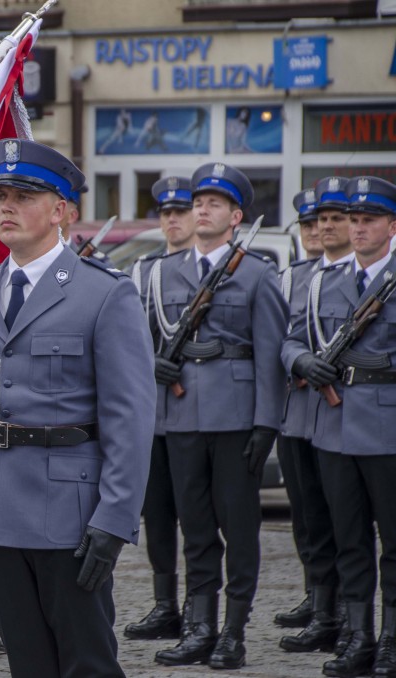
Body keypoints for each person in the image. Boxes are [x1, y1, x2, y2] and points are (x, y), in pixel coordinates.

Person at [0, 138, 155, 677]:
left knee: (87, 663)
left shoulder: (104, 294)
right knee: (27, 663)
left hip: (70, 514)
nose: (5, 207)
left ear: (62, 211)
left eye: (23, 196)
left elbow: (129, 418)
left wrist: (116, 517)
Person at [151, 162, 287, 670]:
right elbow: (140, 342)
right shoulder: (166, 271)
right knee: (198, 529)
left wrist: (266, 423)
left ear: (235, 217)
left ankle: (233, 632)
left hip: (236, 419)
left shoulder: (256, 274)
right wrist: (153, 366)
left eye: (214, 203)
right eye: (197, 202)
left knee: (241, 530)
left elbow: (271, 353)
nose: (201, 209)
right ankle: (199, 627)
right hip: (182, 416)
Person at [281, 176, 396, 678]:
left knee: (393, 542)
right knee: (348, 539)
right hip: (333, 424)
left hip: (388, 427)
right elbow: (289, 339)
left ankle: (391, 639)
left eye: (369, 220)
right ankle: (357, 635)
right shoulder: (324, 281)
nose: (358, 229)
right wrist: (303, 361)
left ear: (391, 226)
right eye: (353, 220)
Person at [275, 180, 352, 653]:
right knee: (309, 519)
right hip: (299, 414)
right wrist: (296, 360)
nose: (321, 228)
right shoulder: (295, 277)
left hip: (347, 414)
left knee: (346, 521)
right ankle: (322, 603)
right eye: (314, 221)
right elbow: (279, 337)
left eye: (334, 219)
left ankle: (345, 610)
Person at [124, 176, 197, 642]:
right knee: (158, 514)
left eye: (181, 211)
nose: (171, 219)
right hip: (153, 415)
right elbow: (127, 340)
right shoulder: (142, 270)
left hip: (197, 411)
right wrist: (150, 363)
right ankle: (164, 604)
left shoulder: (209, 270)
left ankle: (199, 610)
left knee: (197, 517)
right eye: (165, 213)